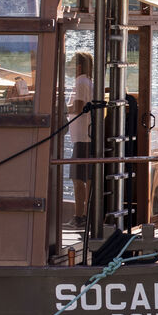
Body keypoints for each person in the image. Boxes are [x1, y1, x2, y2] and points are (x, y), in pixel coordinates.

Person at [68, 52, 93, 228]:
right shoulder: (88, 82)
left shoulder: (80, 82)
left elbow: (78, 106)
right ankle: (86, 214)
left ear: (77, 67)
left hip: (82, 137)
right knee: (86, 177)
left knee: (78, 179)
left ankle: (79, 216)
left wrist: (60, 108)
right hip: (86, 135)